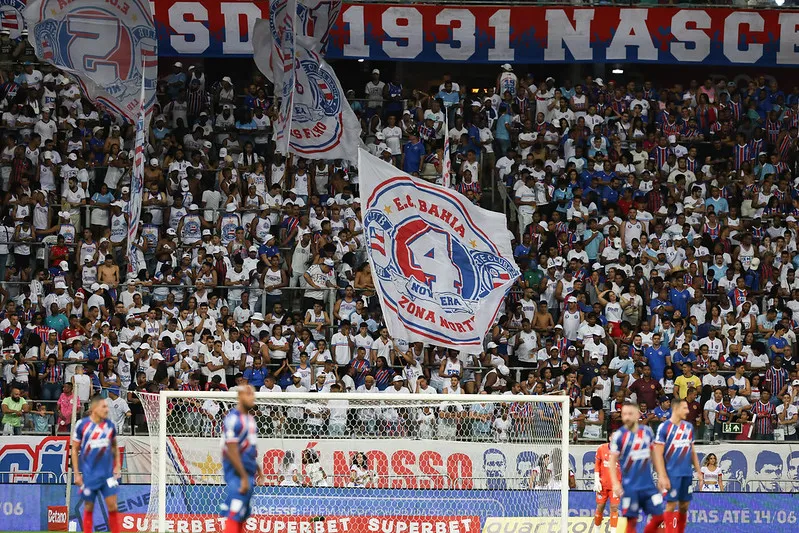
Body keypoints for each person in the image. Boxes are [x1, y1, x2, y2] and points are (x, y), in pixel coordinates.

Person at [609, 402, 666, 533]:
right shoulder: (619, 436)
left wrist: (662, 476)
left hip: (649, 486)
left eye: (630, 414)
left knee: (659, 517)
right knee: (631, 522)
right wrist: (615, 483)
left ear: (637, 415)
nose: (627, 417)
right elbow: (612, 461)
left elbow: (655, 455)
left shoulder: (647, 432)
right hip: (630, 487)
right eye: (624, 414)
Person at [71, 395, 121, 533]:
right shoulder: (82, 425)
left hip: (108, 475)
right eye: (104, 406)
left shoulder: (110, 425)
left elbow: (115, 446)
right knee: (88, 507)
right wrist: (76, 474)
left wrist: (117, 465)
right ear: (94, 408)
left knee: (113, 506)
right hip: (89, 475)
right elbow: (74, 449)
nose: (106, 410)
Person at [654, 396, 702, 533]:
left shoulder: (689, 427)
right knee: (671, 505)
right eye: (684, 408)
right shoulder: (664, 427)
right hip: (671, 474)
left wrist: (698, 471)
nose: (687, 411)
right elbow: (657, 453)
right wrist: (661, 475)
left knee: (684, 506)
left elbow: (692, 450)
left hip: (686, 473)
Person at [220, 385, 261, 533]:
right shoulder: (232, 419)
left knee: (242, 513)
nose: (252, 398)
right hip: (237, 472)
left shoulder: (250, 419)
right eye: (249, 395)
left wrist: (258, 469)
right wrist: (243, 476)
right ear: (240, 397)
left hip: (248, 472)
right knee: (235, 509)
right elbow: (232, 451)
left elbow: (248, 449)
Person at [593, 436, 620, 530]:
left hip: (615, 485)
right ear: (610, 438)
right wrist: (596, 480)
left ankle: (613, 531)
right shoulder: (601, 448)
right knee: (600, 507)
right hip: (602, 484)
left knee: (614, 507)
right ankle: (596, 531)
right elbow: (597, 465)